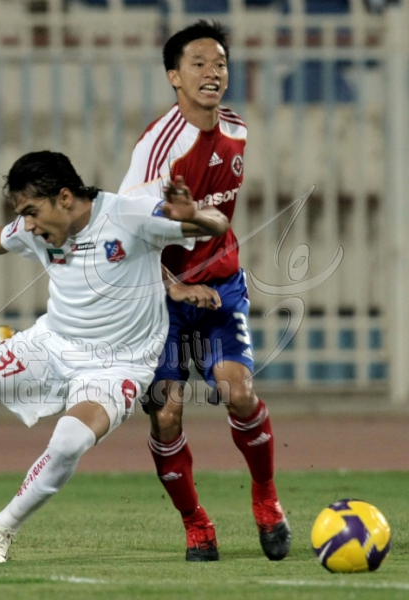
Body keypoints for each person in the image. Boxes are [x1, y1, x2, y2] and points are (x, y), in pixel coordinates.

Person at [0, 150, 229, 563]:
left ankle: (1, 529)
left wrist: (196, 215)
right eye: (22, 215)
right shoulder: (37, 229)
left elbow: (218, 224)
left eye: (31, 212)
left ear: (64, 197)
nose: (27, 225)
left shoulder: (129, 215)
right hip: (50, 345)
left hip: (117, 366)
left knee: (69, 441)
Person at [118, 20, 292, 562]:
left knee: (239, 392)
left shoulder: (237, 129)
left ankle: (266, 499)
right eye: (198, 63)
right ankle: (196, 524)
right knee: (167, 412)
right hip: (158, 298)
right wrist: (172, 286)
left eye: (220, 63)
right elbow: (123, 233)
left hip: (221, 285)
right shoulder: (158, 148)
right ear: (174, 76)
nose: (212, 72)